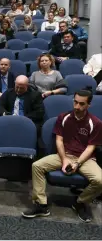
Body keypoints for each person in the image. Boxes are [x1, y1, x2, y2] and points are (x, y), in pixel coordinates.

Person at [22, 89, 102, 222]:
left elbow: (90, 147)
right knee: (37, 166)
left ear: (89, 105)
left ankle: (80, 202)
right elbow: (59, 140)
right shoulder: (63, 117)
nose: (77, 107)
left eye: (82, 104)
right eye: (75, 102)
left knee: (100, 180)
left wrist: (77, 163)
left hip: (85, 158)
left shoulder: (96, 123)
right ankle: (41, 204)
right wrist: (64, 160)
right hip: (64, 155)